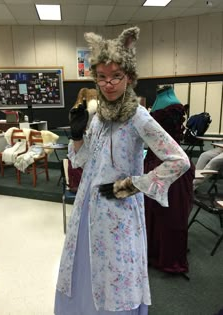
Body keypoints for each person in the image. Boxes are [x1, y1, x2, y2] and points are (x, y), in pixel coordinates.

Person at [54, 27, 190, 315]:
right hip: (88, 209)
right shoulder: (99, 116)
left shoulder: (138, 116)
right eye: (101, 77)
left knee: (116, 273)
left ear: (129, 76)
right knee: (86, 267)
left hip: (118, 213)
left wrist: (130, 185)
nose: (108, 84)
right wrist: (77, 137)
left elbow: (179, 160)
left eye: (116, 76)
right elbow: (81, 160)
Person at [144, 85, 195, 276]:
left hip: (170, 163)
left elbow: (172, 137)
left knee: (170, 211)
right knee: (152, 209)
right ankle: (154, 250)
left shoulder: (173, 105)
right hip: (152, 160)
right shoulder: (163, 102)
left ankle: (170, 256)